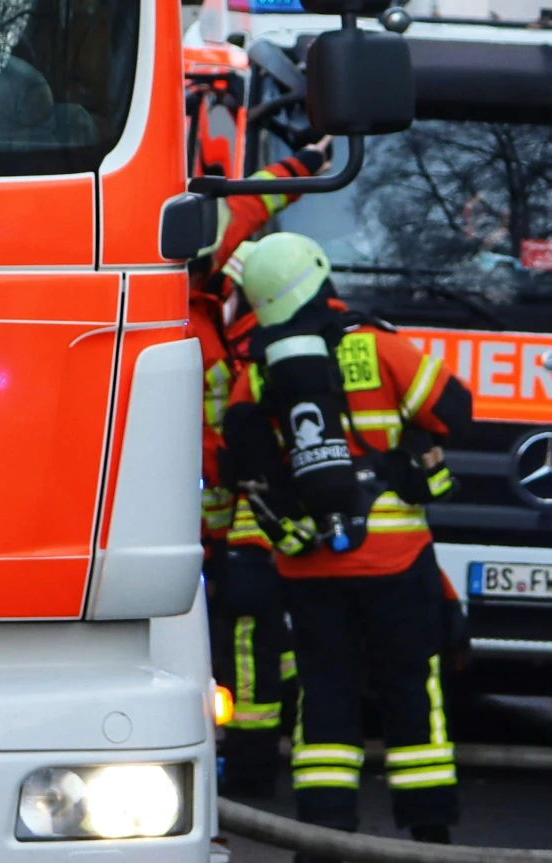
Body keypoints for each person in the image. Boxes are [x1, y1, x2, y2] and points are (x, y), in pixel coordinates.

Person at [222, 231, 472, 850]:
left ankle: (327, 829)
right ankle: (427, 829)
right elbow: (454, 410)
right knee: (412, 689)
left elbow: (238, 452)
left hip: (308, 568)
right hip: (395, 561)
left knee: (323, 696)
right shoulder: (376, 345)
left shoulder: (259, 369)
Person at [189, 145, 324, 796]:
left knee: (251, 651)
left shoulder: (215, 327)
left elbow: (244, 204)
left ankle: (249, 769)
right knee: (261, 650)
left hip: (226, 534)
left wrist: (303, 164)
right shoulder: (201, 325)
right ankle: (254, 769)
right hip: (227, 532)